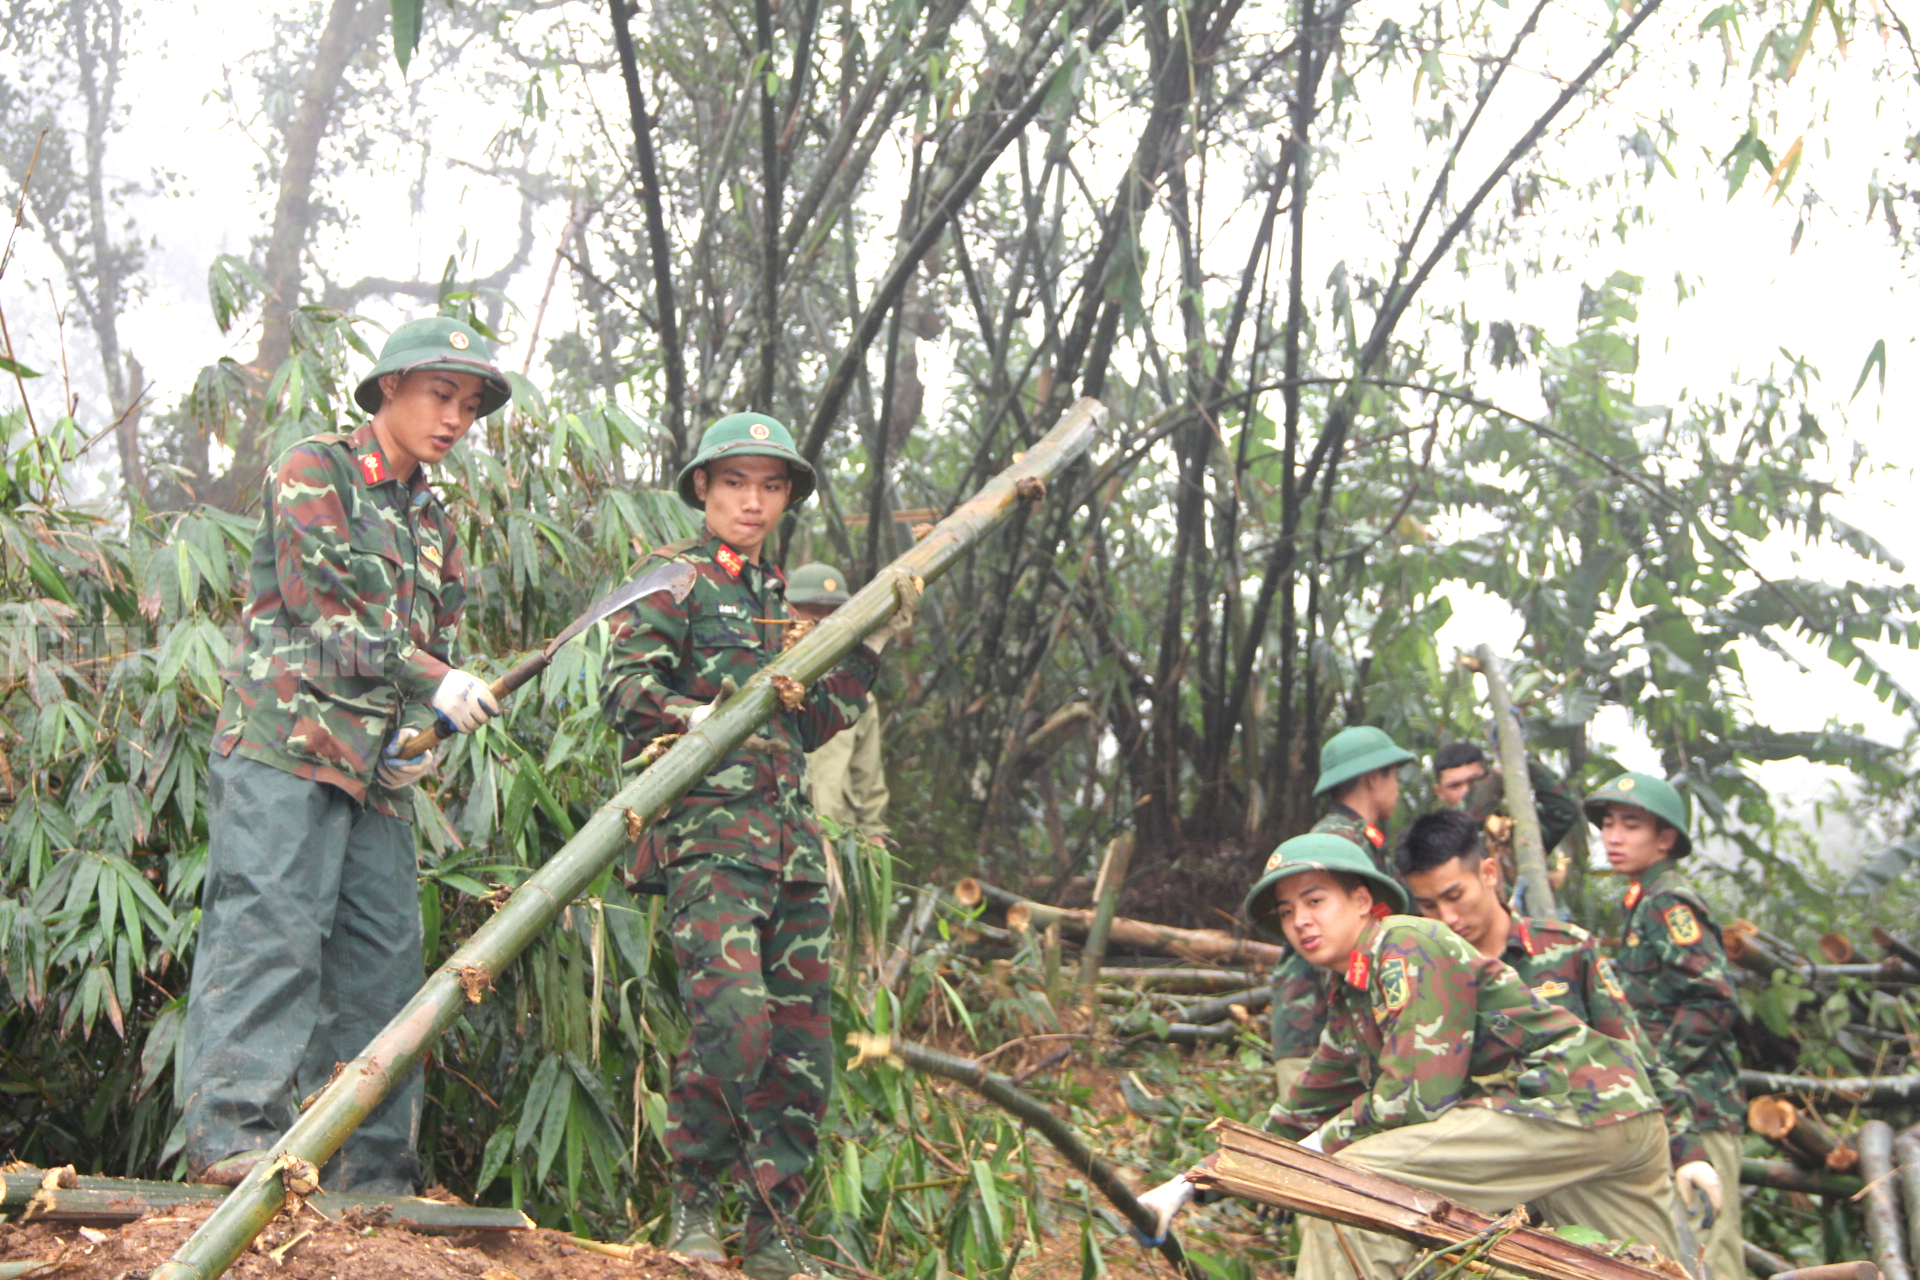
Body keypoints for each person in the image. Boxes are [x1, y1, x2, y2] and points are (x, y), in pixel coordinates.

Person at [182, 316, 512, 1192]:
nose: (454, 419)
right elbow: (321, 609)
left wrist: (424, 739)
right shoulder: (315, 467)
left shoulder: (433, 518)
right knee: (272, 934)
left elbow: (424, 640)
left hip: (375, 774)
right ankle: (233, 1141)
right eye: (441, 395)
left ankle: (370, 1173)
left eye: (470, 407)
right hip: (284, 751)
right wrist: (434, 677)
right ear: (390, 389)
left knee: (384, 961)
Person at [599, 414, 907, 1280]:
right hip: (711, 843)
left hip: (794, 850)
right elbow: (624, 690)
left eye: (770, 486)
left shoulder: (779, 600)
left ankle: (775, 1230)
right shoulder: (676, 580)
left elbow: (807, 723)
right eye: (735, 482)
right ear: (703, 487)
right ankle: (692, 1205)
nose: (752, 500)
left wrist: (867, 650)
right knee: (731, 1026)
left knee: (801, 1051)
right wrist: (691, 717)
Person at [1139, 834, 1682, 1280]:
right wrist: (1188, 1184)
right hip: (1614, 1120)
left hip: (1567, 1105)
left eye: (1315, 900)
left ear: (1361, 902)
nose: (1300, 920)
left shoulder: (1405, 943)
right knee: (1631, 1267)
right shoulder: (1353, 997)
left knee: (1343, 1185)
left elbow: (1416, 1098)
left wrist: (1311, 1155)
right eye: (1286, 911)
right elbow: (1297, 1112)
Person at [1395, 809, 1723, 1223]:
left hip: (1583, 1179)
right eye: (1428, 905)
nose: (1448, 918)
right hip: (1480, 1202)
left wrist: (1687, 1153)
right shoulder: (1427, 979)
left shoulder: (1566, 951)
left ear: (1489, 873)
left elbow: (1633, 1056)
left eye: (1455, 896)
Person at [1588, 772, 1745, 1280]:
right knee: (1679, 1247)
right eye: (1608, 824)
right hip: (1677, 1107)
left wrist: (1658, 1073)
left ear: (1665, 839)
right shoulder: (1643, 898)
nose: (1613, 836)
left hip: (1698, 1106)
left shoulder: (1666, 901)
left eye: (1630, 825)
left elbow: (1714, 997)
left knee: (1710, 1250)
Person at [1269, 725, 1413, 1080]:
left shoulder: (1359, 840)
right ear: (1372, 779)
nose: (1397, 787)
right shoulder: (1336, 843)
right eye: (1392, 775)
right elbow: (1331, 948)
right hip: (1319, 1031)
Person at [786, 563, 890, 841]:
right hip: (774, 836)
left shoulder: (854, 691)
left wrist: (873, 834)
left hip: (835, 836)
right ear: (789, 610)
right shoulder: (766, 682)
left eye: (832, 611)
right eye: (811, 609)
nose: (821, 620)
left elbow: (867, 772)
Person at [1432, 740, 1581, 899]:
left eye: (1475, 782)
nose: (1467, 791)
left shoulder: (1513, 827)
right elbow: (1469, 815)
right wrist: (1496, 776)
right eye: (1455, 786)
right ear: (1440, 792)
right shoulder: (1438, 837)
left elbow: (1565, 811)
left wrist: (1523, 763)